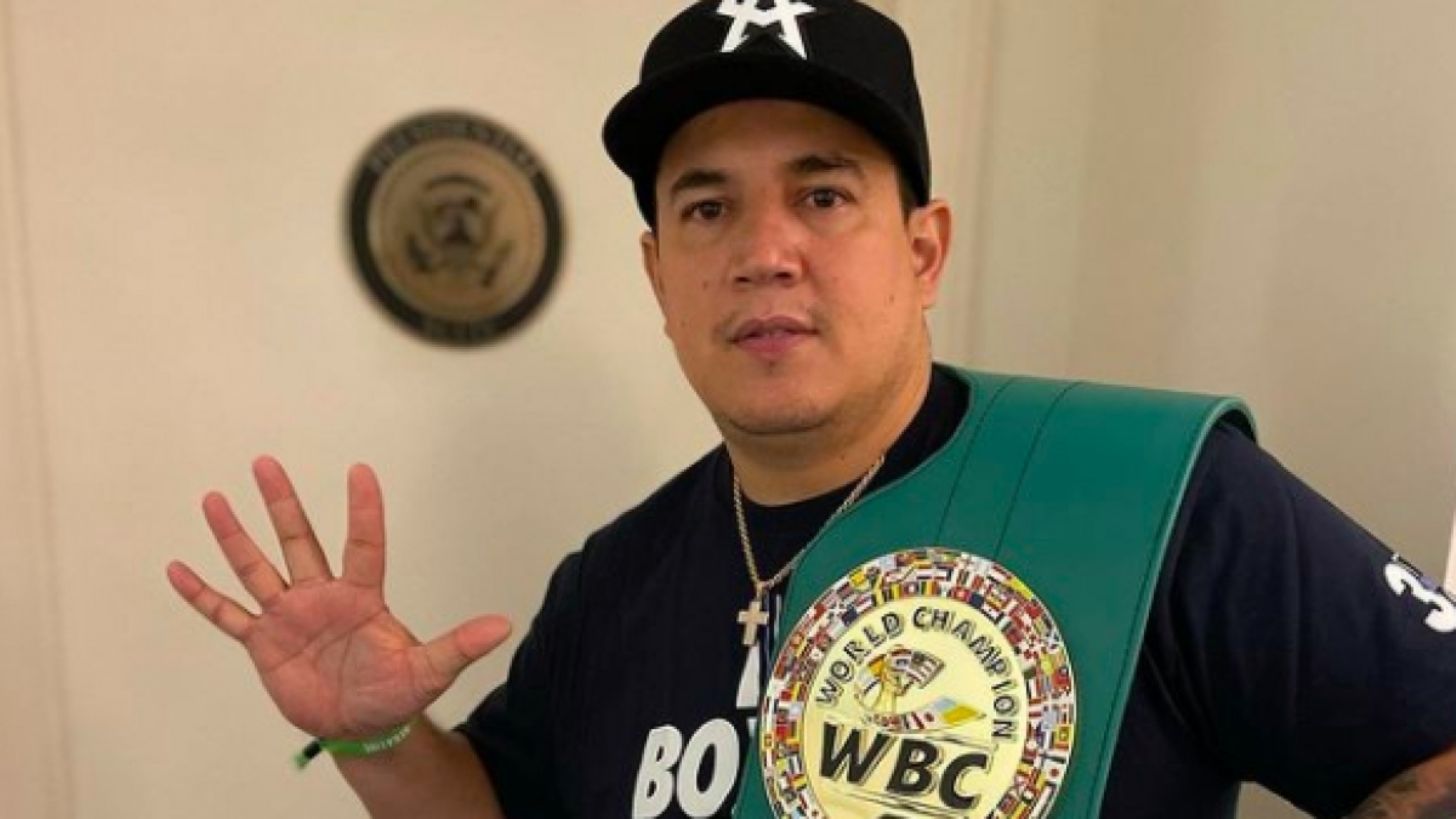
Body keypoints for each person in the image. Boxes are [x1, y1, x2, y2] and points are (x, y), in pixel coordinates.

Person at [167, 2, 1456, 817]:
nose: (763, 252)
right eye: (708, 207)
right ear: (659, 276)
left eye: (823, 195)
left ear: (924, 250)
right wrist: (383, 734)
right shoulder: (609, 584)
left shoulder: (1154, 495)